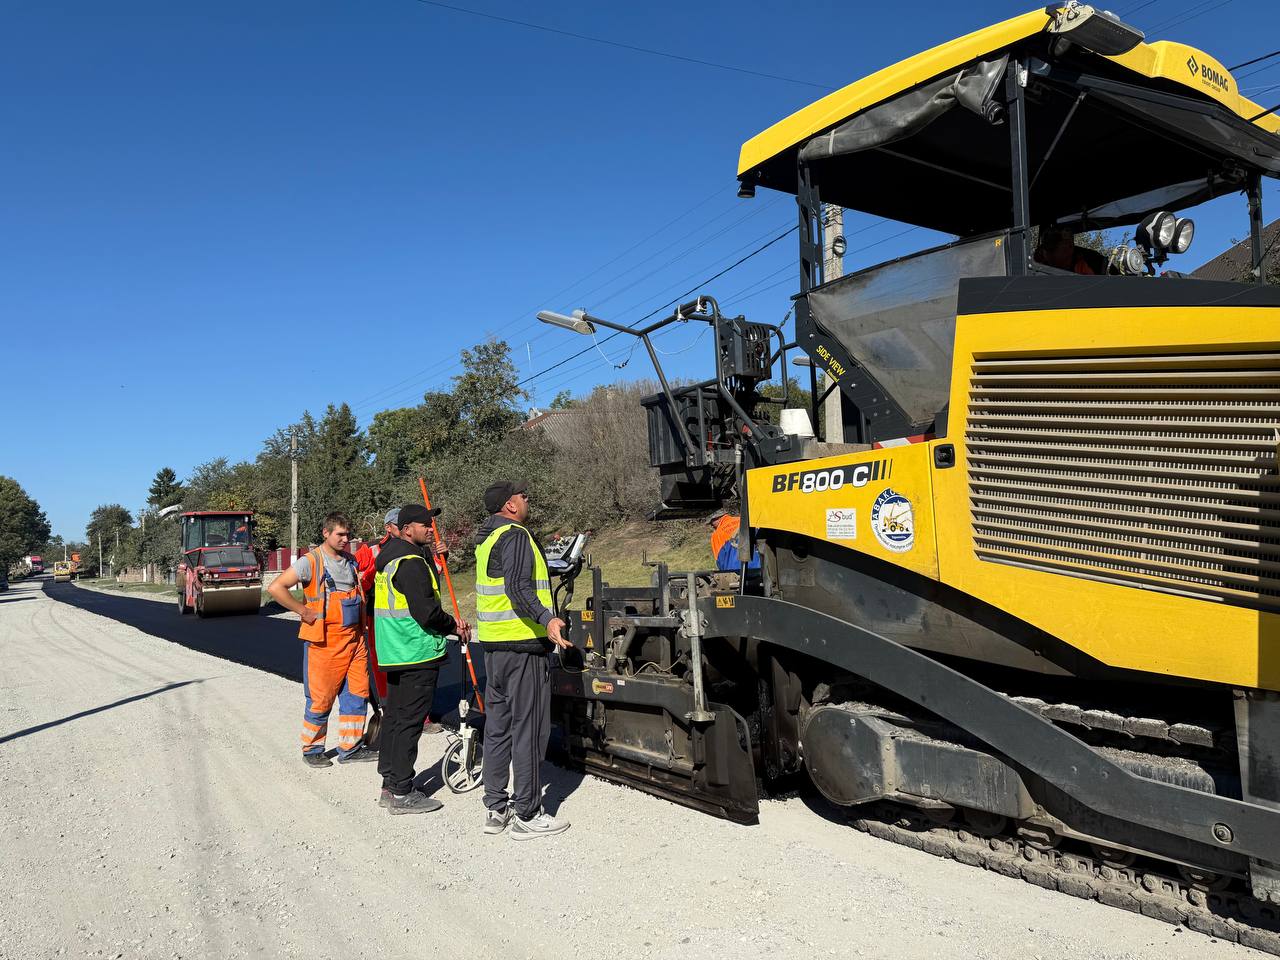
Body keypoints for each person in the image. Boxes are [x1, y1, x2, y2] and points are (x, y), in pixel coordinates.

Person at [474, 479, 572, 839]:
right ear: (510, 506)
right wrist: (548, 620)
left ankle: (496, 808)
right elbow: (518, 588)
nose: (528, 498)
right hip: (523, 648)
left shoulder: (487, 540)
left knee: (498, 729)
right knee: (529, 730)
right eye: (523, 495)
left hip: (495, 649)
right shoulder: (516, 535)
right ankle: (528, 814)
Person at [373, 504, 470, 814]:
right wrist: (454, 626)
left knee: (396, 718)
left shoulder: (391, 560)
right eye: (423, 524)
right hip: (415, 651)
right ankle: (402, 792)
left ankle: (390, 784)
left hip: (395, 651)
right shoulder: (411, 563)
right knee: (410, 722)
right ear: (406, 530)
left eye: (431, 523)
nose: (431, 528)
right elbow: (426, 612)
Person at [267, 512, 376, 768]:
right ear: (326, 533)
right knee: (321, 697)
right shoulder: (311, 561)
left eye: (347, 535)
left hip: (354, 639)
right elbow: (276, 587)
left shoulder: (350, 561)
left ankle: (351, 747)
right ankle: (313, 748)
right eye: (340, 534)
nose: (345, 539)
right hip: (324, 642)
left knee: (357, 693)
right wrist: (303, 611)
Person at [1034, 224, 1103, 275]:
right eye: (1049, 243)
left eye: (1057, 242)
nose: (1049, 249)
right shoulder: (1036, 264)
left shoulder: (1081, 267)